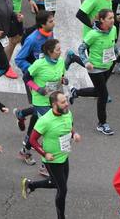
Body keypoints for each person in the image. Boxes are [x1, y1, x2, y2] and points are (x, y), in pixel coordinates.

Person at [19, 90, 78, 219]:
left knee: (56, 183)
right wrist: (45, 154)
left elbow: (69, 126)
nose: (67, 104)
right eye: (63, 102)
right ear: (54, 104)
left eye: (66, 101)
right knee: (62, 190)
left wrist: (74, 134)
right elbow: (32, 140)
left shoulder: (67, 113)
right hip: (52, 160)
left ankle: (31, 185)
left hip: (64, 155)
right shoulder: (45, 121)